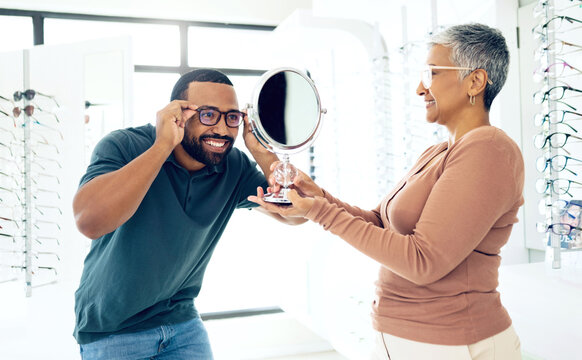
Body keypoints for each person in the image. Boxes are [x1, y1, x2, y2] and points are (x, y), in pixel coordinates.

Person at [250, 23, 524, 360]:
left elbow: (423, 261)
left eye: (433, 73)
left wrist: (316, 212)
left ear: (476, 81)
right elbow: (379, 221)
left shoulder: (488, 149)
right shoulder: (437, 152)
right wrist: (316, 195)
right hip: (410, 340)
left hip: (455, 344)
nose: (420, 88)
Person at [72, 68, 303, 360]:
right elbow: (89, 222)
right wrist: (162, 145)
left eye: (231, 117)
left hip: (182, 324)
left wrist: (262, 152)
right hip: (113, 330)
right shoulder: (124, 146)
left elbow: (298, 213)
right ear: (178, 114)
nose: (221, 130)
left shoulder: (233, 166)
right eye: (208, 115)